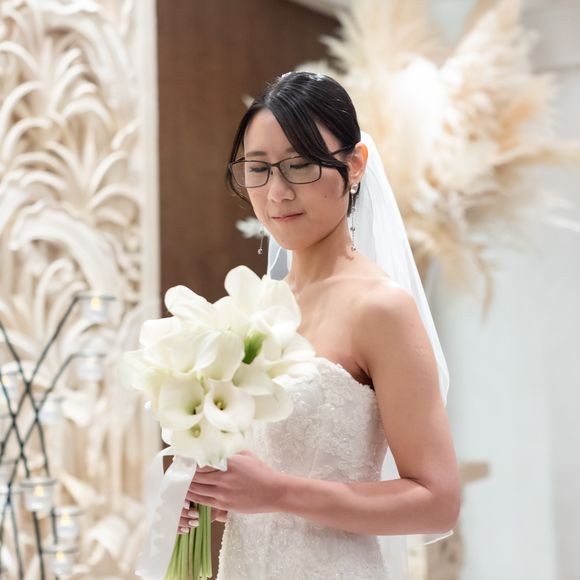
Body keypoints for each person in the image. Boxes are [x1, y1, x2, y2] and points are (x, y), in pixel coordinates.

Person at [178, 71, 460, 579]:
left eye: (301, 165)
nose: (277, 192)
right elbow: (262, 472)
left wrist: (277, 493)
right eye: (258, 169)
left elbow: (437, 502)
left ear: (354, 166)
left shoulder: (380, 308)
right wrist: (206, 493)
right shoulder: (257, 308)